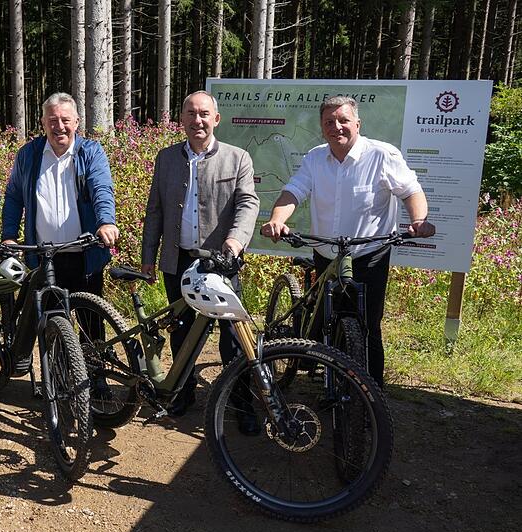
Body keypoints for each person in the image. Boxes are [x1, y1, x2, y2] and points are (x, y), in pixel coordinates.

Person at [261, 95, 436, 388]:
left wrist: (417, 220)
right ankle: (318, 362)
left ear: (358, 123)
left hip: (369, 254)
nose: (336, 127)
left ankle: (371, 396)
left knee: (367, 327)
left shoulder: (382, 155)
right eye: (329, 122)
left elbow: (410, 191)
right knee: (325, 316)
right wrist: (278, 219)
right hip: (326, 252)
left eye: (343, 120)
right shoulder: (315, 157)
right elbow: (294, 191)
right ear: (322, 126)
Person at [140, 91, 259, 421]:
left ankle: (241, 402)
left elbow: (248, 205)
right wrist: (148, 255)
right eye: (191, 114)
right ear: (182, 119)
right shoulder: (166, 158)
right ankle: (182, 392)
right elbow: (155, 211)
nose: (198, 120)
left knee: (232, 336)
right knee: (181, 330)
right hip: (177, 260)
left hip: (220, 261)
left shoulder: (238, 159)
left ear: (216, 119)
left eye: (204, 114)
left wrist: (233, 245)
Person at [1, 92, 119, 299]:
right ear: (43, 123)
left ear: (76, 122)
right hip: (44, 257)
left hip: (85, 255)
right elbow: (14, 197)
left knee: (90, 325)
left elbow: (101, 189)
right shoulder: (28, 154)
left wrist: (106, 222)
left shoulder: (91, 152)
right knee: (49, 324)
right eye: (53, 120)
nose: (59, 126)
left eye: (65, 120)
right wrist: (9, 236)